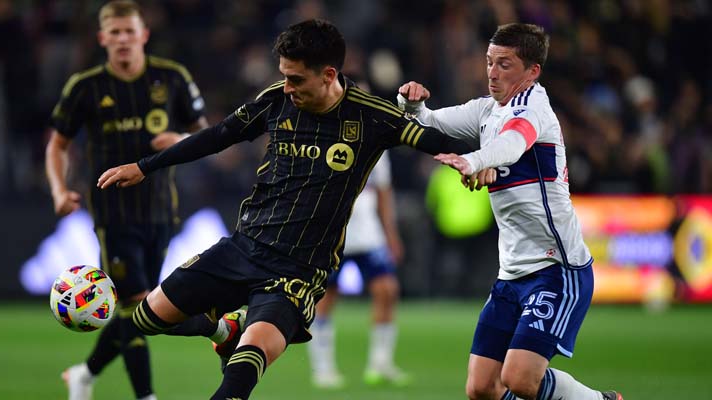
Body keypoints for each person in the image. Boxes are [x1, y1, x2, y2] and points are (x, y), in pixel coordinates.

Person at [96, 19, 472, 400]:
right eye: (284, 77)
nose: (287, 87)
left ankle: (242, 336)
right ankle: (224, 329)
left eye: (296, 79)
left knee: (240, 375)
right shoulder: (276, 99)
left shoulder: (370, 116)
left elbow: (437, 139)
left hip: (297, 271)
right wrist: (145, 166)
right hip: (242, 247)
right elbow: (219, 135)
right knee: (146, 318)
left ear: (328, 75)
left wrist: (481, 160)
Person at [397, 23, 623, 400]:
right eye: (489, 62)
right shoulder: (488, 110)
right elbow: (430, 120)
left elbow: (513, 145)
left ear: (532, 71)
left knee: (520, 379)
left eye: (504, 64)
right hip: (511, 274)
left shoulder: (534, 110)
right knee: (481, 388)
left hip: (555, 268)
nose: (491, 72)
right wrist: (411, 103)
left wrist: (474, 160)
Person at [43, 2, 234, 399]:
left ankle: (85, 373)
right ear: (102, 39)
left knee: (147, 312)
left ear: (143, 35)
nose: (123, 39)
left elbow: (212, 137)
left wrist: (180, 140)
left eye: (129, 31)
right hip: (113, 215)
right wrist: (60, 190)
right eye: (114, 33)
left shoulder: (172, 78)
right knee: (136, 305)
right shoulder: (86, 86)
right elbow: (57, 145)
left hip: (162, 211)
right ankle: (157, 386)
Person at [307, 151, 409, 388]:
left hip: (369, 235)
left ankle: (380, 364)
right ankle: (323, 369)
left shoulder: (379, 146)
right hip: (332, 234)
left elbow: (383, 191)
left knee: (387, 291)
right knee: (325, 298)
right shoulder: (327, 137)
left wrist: (391, 235)